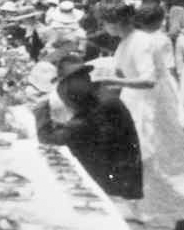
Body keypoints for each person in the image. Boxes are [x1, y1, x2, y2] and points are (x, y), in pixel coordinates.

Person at [94, 1, 184, 225]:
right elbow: (123, 68)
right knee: (135, 160)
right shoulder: (126, 42)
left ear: (117, 22)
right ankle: (142, 209)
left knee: (148, 160)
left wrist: (112, 80)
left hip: (148, 105)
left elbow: (148, 79)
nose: (104, 27)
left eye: (106, 23)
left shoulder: (142, 42)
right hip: (132, 102)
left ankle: (180, 212)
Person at [33, 58, 144, 205]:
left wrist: (41, 108)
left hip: (112, 186)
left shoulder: (101, 108)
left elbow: (48, 139)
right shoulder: (101, 99)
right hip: (119, 176)